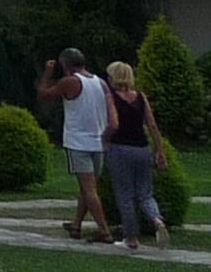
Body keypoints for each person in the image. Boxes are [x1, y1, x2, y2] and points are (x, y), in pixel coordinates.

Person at [39, 48, 113, 242]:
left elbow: (44, 94)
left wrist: (47, 73)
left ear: (65, 64)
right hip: (98, 140)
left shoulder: (70, 82)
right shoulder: (101, 83)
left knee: (88, 189)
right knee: (87, 188)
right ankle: (76, 224)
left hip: (78, 141)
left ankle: (104, 230)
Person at [102, 59, 169, 250]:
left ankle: (131, 237)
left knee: (125, 195)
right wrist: (159, 150)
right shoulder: (140, 97)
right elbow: (152, 125)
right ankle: (157, 220)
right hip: (142, 148)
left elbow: (113, 123)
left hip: (120, 148)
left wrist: (105, 138)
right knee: (145, 193)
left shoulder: (111, 97)